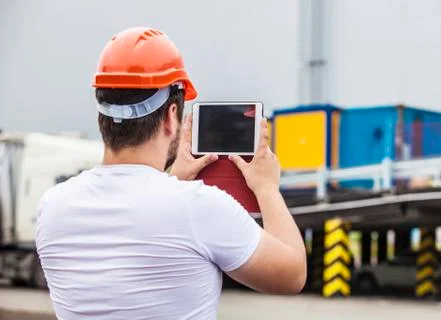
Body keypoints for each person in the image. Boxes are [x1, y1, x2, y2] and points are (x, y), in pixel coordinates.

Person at [35, 27, 306, 320]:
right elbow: (291, 274)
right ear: (170, 116)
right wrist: (266, 187)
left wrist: (171, 180)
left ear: (102, 115)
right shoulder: (200, 207)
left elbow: (135, 229)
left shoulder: (53, 207)